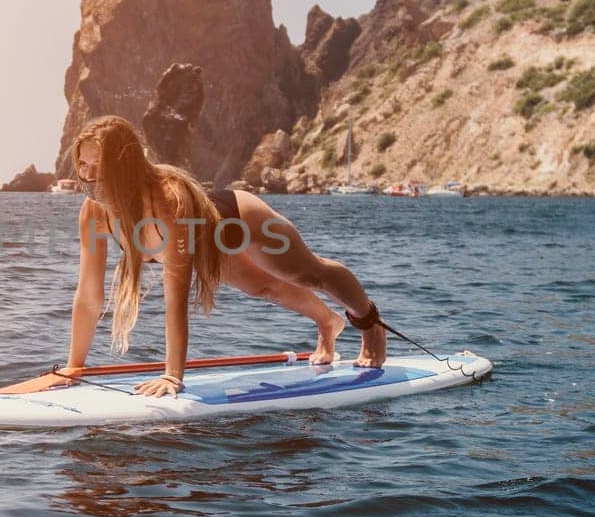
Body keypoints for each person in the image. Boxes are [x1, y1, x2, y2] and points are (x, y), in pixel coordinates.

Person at [61, 115, 387, 397]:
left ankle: (371, 325)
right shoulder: (93, 213)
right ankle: (328, 322)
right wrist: (75, 366)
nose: (88, 176)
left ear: (123, 166)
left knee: (308, 274)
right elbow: (89, 297)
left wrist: (173, 374)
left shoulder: (167, 202)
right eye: (83, 165)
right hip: (206, 243)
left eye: (98, 165)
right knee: (264, 287)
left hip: (238, 220)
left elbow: (176, 300)